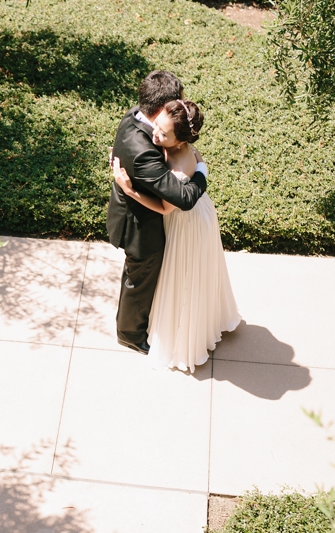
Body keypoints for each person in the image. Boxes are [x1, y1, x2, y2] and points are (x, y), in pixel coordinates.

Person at [113, 100, 241, 372]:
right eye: (156, 125)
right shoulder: (175, 141)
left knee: (185, 278)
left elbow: (164, 207)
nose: (155, 135)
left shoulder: (179, 168)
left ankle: (189, 334)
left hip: (188, 223)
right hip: (196, 210)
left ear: (181, 141)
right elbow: (199, 162)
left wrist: (129, 190)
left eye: (163, 133)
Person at [107, 71, 208, 355]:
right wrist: (201, 170)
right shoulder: (145, 154)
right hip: (141, 225)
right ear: (162, 107)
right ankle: (129, 333)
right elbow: (185, 198)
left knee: (145, 277)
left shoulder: (134, 113)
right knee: (139, 279)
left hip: (137, 206)